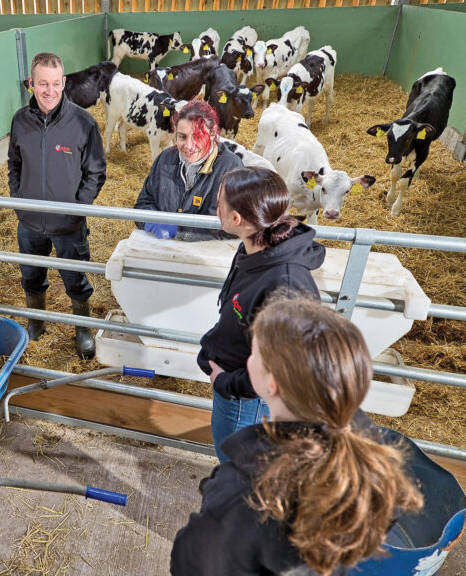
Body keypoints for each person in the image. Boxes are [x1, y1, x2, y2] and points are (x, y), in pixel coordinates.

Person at [172, 298, 425, 576]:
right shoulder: (371, 450)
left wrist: (216, 493)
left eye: (254, 352)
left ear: (271, 383)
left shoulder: (248, 490)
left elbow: (190, 564)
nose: (249, 358)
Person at [196, 167, 325, 462]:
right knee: (232, 460)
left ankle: (235, 501)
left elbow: (282, 373)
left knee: (242, 468)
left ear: (236, 218)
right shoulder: (255, 249)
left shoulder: (286, 288)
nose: (216, 208)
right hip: (235, 381)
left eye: (219, 202)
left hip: (248, 401)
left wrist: (225, 383)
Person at [8, 52, 107, 358]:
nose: (49, 90)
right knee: (31, 276)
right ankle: (36, 324)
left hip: (68, 224)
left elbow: (96, 171)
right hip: (30, 222)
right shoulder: (20, 121)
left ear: (64, 83)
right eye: (42, 84)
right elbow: (14, 164)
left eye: (55, 83)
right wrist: (19, 198)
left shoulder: (83, 122)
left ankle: (82, 329)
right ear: (31, 84)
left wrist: (78, 207)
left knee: (75, 278)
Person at [133, 100, 243, 242]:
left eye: (198, 136)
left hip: (205, 257)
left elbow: (235, 227)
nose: (189, 146)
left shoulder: (231, 167)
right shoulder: (165, 159)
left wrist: (181, 233)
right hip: (161, 250)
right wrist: (150, 221)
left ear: (213, 132)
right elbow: (144, 203)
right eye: (182, 136)